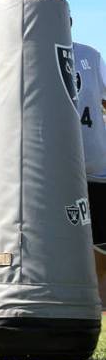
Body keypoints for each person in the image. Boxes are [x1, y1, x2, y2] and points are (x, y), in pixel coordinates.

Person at [73, 42, 106, 283]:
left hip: (96, 169)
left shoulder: (90, 56)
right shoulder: (29, 52)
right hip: (52, 169)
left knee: (101, 243)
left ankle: (90, 304)